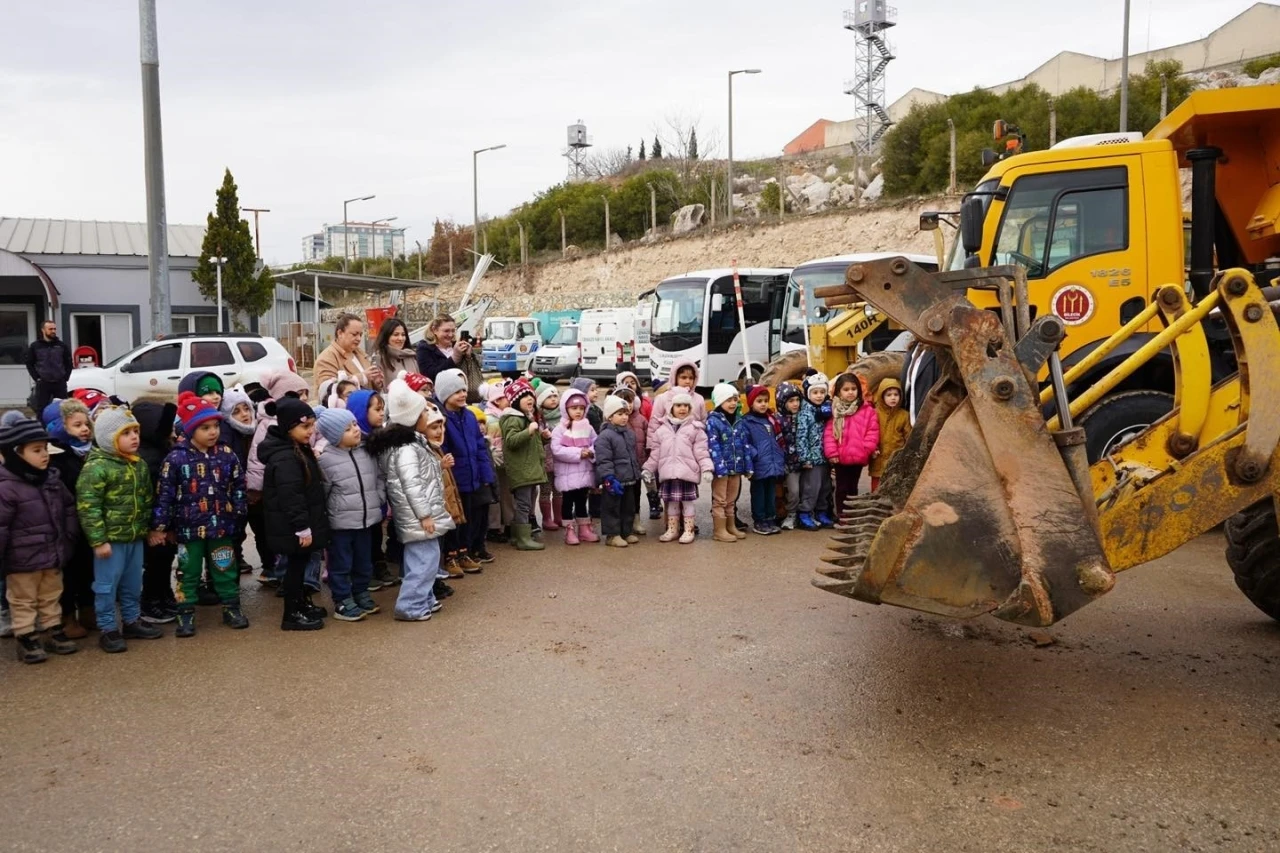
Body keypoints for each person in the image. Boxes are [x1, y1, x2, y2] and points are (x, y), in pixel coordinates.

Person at [151, 391, 249, 637]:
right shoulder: (175, 459)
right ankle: (185, 611)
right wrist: (161, 526)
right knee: (188, 571)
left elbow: (238, 484)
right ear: (190, 429)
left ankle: (231, 607)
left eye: (215, 426)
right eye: (205, 427)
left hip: (221, 527)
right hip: (188, 530)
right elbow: (165, 494)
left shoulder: (226, 454)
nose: (213, 432)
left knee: (225, 567)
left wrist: (238, 511)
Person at [77, 405, 164, 653]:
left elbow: (147, 500)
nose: (134, 437)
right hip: (110, 542)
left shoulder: (139, 465)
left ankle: (132, 620)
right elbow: (88, 506)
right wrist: (98, 540)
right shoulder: (96, 468)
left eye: (136, 431)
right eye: (126, 433)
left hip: (134, 537)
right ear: (108, 437)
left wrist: (148, 529)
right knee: (107, 585)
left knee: (132, 582)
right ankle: (107, 627)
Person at [368, 377, 455, 622]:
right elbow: (412, 485)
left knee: (426, 560)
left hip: (422, 514)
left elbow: (423, 476)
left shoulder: (413, 443)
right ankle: (410, 605)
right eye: (422, 414)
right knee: (423, 563)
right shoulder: (407, 448)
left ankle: (424, 598)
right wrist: (425, 515)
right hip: (419, 517)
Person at [0, 417, 80, 664]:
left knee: (51, 593)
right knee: (23, 598)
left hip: (52, 553)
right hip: (21, 559)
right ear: (16, 454)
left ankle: (52, 628)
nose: (44, 455)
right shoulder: (6, 487)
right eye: (36, 450)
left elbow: (68, 508)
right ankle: (25, 635)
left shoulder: (51, 480)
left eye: (45, 449)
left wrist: (68, 538)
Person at [258, 397, 329, 631]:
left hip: (302, 522)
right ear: (289, 428)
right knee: (295, 569)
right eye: (305, 427)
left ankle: (301, 603)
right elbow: (292, 495)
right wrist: (302, 527)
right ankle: (291, 612)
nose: (311, 431)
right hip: (293, 526)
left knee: (301, 563)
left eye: (312, 425)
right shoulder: (286, 457)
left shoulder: (297, 448)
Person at [316, 408, 385, 622]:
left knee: (364, 561)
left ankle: (361, 591)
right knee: (341, 563)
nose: (355, 430)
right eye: (347, 429)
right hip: (341, 524)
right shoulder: (326, 460)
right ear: (335, 435)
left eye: (355, 424)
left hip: (367, 520)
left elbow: (379, 477)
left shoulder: (366, 452)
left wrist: (379, 497)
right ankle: (342, 599)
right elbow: (323, 493)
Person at [246, 369, 311, 587]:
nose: (302, 399)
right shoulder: (268, 423)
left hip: (288, 489)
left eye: (304, 394)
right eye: (296, 394)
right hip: (271, 490)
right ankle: (275, 571)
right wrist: (255, 488)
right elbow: (256, 459)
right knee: (276, 535)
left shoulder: (302, 424)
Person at [43, 398, 95, 636]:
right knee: (69, 574)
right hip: (65, 525)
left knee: (88, 569)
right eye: (76, 425)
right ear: (60, 427)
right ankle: (67, 617)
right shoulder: (57, 459)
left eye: (86, 424)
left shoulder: (91, 453)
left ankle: (88, 609)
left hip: (88, 523)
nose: (84, 429)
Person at [437, 368, 497, 565]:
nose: (463, 394)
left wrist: (486, 475)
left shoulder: (470, 416)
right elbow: (442, 448)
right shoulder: (443, 420)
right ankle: (451, 555)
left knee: (469, 517)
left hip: (473, 477)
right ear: (445, 395)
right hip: (455, 478)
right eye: (457, 392)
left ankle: (465, 551)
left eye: (463, 390)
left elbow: (480, 447)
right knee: (455, 519)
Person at [644, 390, 713, 545]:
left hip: (687, 473)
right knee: (672, 504)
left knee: (688, 503)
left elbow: (701, 452)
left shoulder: (695, 429)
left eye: (686, 406)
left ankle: (688, 530)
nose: (682, 409)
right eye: (678, 405)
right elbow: (655, 454)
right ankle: (672, 529)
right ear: (671, 408)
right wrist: (648, 469)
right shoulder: (661, 430)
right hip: (668, 473)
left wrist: (706, 468)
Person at [134, 399, 180, 624]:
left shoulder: (163, 449)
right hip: (155, 526)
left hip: (167, 522)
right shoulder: (146, 457)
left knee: (164, 561)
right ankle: (151, 602)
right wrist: (154, 527)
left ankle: (164, 596)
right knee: (154, 565)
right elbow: (147, 497)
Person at [499, 379, 548, 552]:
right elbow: (511, 441)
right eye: (524, 396)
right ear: (514, 400)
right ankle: (523, 538)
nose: (530, 399)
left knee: (525, 501)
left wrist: (544, 437)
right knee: (523, 504)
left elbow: (532, 444)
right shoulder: (513, 419)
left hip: (529, 469)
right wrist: (529, 431)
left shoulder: (527, 418)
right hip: (522, 470)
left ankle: (516, 534)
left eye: (530, 395)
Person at [823, 373, 880, 522]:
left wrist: (866, 448)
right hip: (840, 457)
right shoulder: (834, 411)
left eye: (853, 389)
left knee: (853, 487)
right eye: (846, 389)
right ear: (838, 392)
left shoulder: (867, 410)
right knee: (841, 487)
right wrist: (832, 453)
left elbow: (872, 431)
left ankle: (852, 513)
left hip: (858, 457)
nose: (850, 392)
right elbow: (830, 434)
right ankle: (842, 515)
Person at [549, 387, 598, 546]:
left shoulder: (588, 427)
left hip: (584, 473)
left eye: (581, 408)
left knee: (582, 502)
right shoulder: (560, 429)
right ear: (566, 409)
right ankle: (569, 530)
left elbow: (595, 443)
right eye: (574, 408)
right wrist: (579, 453)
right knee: (568, 502)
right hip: (567, 475)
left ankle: (584, 530)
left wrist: (590, 452)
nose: (578, 411)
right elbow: (557, 450)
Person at [594, 395, 643, 548]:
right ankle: (612, 535)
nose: (624, 417)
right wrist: (608, 477)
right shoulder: (605, 436)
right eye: (619, 414)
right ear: (609, 417)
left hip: (629, 478)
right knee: (612, 508)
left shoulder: (628, 433)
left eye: (626, 414)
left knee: (628, 507)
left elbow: (631, 455)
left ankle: (625, 532)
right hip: (614, 480)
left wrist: (636, 472)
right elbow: (604, 459)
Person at [705, 384, 752, 543]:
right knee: (720, 500)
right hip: (722, 470)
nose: (733, 403)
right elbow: (713, 445)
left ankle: (730, 526)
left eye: (734, 399)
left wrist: (748, 466)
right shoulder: (713, 421)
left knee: (731, 499)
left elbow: (744, 444)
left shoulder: (739, 420)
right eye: (728, 400)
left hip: (736, 468)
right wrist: (719, 467)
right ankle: (719, 530)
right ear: (719, 402)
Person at [742, 386, 786, 536]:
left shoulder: (772, 420)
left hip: (773, 464)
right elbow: (745, 443)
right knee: (759, 493)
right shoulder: (747, 422)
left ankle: (770, 518)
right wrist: (756, 455)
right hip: (759, 464)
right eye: (759, 401)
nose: (763, 404)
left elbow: (778, 441)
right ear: (751, 403)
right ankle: (759, 520)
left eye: (765, 401)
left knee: (771, 492)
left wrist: (780, 456)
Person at [796, 373, 835, 530]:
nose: (819, 396)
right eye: (815, 392)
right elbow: (801, 436)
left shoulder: (826, 410)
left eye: (822, 392)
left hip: (825, 457)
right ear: (808, 393)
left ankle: (821, 512)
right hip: (812, 459)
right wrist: (805, 458)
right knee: (811, 487)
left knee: (825, 487)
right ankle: (804, 513)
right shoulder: (806, 413)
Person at [415, 314, 485, 402]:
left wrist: (468, 356)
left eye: (453, 330)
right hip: (438, 398)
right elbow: (430, 375)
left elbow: (470, 373)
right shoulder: (425, 348)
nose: (450, 334)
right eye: (446, 331)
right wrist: (454, 358)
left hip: (463, 396)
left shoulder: (457, 345)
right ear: (434, 330)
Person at [610, 387, 649, 536]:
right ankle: (623, 524)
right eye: (625, 401)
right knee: (624, 497)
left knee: (636, 495)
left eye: (631, 401)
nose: (629, 405)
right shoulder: (617, 422)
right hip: (622, 469)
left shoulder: (641, 419)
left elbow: (648, 439)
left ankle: (636, 520)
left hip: (637, 465)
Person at [314, 313, 382, 395]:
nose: (359, 338)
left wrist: (376, 382)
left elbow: (368, 384)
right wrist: (362, 377)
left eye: (360, 335)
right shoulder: (327, 358)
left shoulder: (360, 353)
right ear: (340, 333)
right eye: (354, 334)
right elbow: (327, 390)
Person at [482, 382, 516, 544]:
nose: (509, 400)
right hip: (494, 462)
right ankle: (494, 527)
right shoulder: (488, 418)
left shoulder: (509, 415)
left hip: (507, 462)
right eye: (505, 397)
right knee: (495, 495)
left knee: (508, 493)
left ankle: (510, 522)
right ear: (497, 400)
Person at [870, 378, 912, 492]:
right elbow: (870, 433)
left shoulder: (903, 415)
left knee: (894, 487)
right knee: (876, 488)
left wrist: (905, 453)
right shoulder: (874, 413)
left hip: (896, 459)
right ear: (881, 396)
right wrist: (872, 448)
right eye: (889, 395)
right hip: (878, 458)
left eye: (896, 394)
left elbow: (909, 436)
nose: (893, 398)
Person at [25, 320, 73, 414]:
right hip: (43, 383)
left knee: (64, 408)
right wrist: (37, 378)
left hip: (59, 382)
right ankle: (41, 427)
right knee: (41, 409)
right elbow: (29, 363)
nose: (53, 331)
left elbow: (69, 363)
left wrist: (65, 377)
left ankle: (62, 427)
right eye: (50, 329)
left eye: (54, 329)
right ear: (43, 330)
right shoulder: (35, 346)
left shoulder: (61, 346)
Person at [775, 384, 805, 530]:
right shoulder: (778, 420)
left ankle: (803, 513)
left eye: (797, 400)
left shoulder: (803, 416)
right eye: (791, 401)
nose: (795, 404)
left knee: (804, 489)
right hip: (786, 462)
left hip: (802, 460)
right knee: (792, 490)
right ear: (782, 402)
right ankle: (790, 514)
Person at [648, 357, 707, 429]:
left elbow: (703, 423)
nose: (688, 381)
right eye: (683, 377)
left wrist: (695, 427)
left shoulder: (699, 399)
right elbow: (654, 425)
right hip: (667, 439)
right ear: (675, 377)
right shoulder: (662, 398)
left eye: (691, 378)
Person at [535, 383, 562, 532]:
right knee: (545, 490)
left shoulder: (563, 415)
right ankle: (546, 519)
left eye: (555, 396)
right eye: (549, 397)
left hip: (559, 459)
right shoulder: (539, 418)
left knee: (559, 489)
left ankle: (559, 517)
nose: (553, 399)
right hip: (545, 459)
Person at [372, 318, 418, 384]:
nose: (400, 338)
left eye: (403, 335)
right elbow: (377, 387)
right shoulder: (379, 358)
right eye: (396, 334)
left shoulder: (411, 356)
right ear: (386, 336)